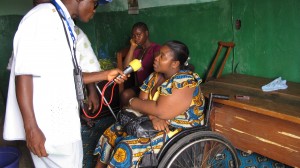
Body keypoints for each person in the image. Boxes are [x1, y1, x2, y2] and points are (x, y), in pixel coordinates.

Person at [3, 0, 126, 167]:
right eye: (95, 3)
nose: (94, 10)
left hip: (63, 126)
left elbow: (64, 75)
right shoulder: (41, 17)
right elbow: (23, 74)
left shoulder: (62, 22)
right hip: (48, 129)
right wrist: (31, 128)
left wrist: (105, 74)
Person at [94, 40, 205, 168]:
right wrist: (153, 115)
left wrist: (133, 102)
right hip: (154, 121)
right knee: (112, 131)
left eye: (162, 56)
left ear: (174, 64)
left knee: (126, 146)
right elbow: (144, 102)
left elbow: (159, 109)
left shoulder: (185, 81)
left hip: (178, 129)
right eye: (158, 54)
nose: (156, 58)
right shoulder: (154, 76)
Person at [120, 22, 160, 107]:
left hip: (152, 87)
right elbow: (126, 67)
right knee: (125, 95)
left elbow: (159, 68)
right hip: (140, 86)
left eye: (138, 35)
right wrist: (132, 47)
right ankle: (125, 118)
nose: (136, 38)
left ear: (146, 33)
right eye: (134, 36)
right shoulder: (137, 51)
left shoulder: (156, 49)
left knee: (142, 100)